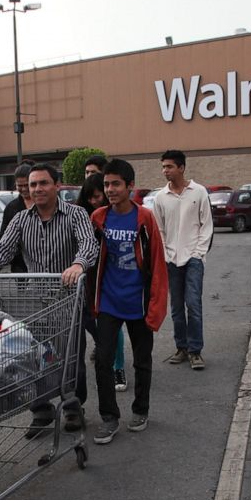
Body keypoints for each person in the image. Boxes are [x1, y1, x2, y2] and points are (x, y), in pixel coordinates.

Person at [0, 163, 98, 437]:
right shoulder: (21, 219)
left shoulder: (75, 215)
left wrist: (78, 264)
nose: (37, 189)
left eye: (43, 183)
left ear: (57, 186)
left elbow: (89, 244)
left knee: (69, 356)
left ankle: (72, 407)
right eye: (33, 185)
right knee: (31, 355)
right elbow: (4, 247)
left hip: (67, 299)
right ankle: (40, 409)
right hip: (33, 301)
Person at [90, 159, 168, 444]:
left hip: (138, 303)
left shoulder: (144, 218)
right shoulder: (98, 217)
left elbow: (158, 264)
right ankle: (109, 417)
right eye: (106, 184)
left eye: (115, 184)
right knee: (103, 360)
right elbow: (89, 260)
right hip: (109, 302)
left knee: (142, 361)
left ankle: (141, 410)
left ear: (130, 186)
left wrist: (156, 307)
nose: (109, 189)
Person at [152, 150, 213, 370]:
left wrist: (198, 252)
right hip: (171, 260)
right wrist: (166, 254)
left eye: (169, 167)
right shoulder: (160, 197)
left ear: (181, 168)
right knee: (176, 306)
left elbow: (206, 225)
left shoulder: (198, 192)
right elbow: (158, 229)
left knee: (193, 304)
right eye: (163, 167)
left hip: (193, 258)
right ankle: (182, 348)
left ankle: (196, 352)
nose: (165, 171)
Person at [76, 174, 128, 392]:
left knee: (112, 325)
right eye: (90, 198)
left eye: (97, 196)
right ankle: (103, 349)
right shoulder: (80, 215)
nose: (94, 201)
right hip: (87, 276)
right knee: (90, 321)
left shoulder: (113, 216)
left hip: (109, 277)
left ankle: (118, 367)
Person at [0, 159, 35, 273]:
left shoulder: (43, 204)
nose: (24, 189)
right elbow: (3, 240)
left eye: (27, 185)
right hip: (20, 265)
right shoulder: (12, 208)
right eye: (20, 186)